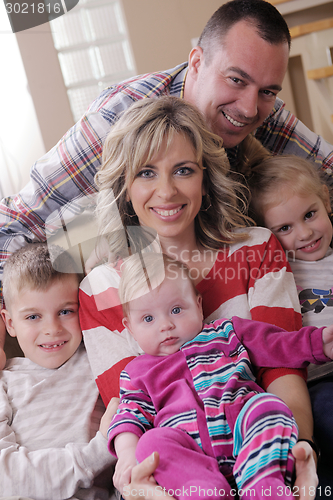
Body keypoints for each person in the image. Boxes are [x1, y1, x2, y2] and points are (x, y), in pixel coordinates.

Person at [1, 0, 333, 363]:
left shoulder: (256, 104)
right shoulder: (117, 121)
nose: (250, 108)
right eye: (235, 80)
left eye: (268, 91)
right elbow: (12, 225)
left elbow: (327, 169)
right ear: (196, 62)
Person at [78, 96, 318, 496]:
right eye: (146, 173)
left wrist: (299, 449)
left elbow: (281, 368)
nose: (167, 191)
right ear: (124, 188)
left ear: (205, 180)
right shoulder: (100, 288)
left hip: (263, 448)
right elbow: (131, 404)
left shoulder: (256, 249)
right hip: (174, 468)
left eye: (183, 170)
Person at [108, 252, 333, 500]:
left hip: (243, 427)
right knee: (151, 443)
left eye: (176, 309)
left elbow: (276, 343)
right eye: (148, 318)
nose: (165, 325)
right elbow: (129, 415)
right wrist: (128, 456)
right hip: (189, 447)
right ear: (130, 328)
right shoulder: (137, 371)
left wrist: (319, 343)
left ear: (198, 304)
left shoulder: (227, 332)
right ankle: (202, 490)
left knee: (269, 406)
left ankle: (265, 484)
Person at [243, 140, 333, 491]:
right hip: (313, 384)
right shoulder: (280, 273)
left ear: (326, 201)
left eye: (310, 214)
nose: (305, 233)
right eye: (285, 228)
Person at [0, 242, 117, 500]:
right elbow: (4, 478)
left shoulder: (99, 357)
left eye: (65, 311)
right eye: (33, 317)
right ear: (10, 322)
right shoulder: (4, 382)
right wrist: (97, 452)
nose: (52, 328)